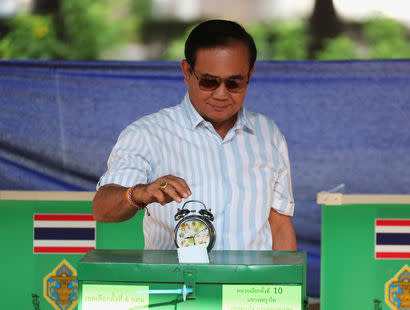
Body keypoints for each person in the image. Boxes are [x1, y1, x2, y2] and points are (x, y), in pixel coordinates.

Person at [93, 19, 297, 251]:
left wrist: (288, 285)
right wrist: (139, 193)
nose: (221, 94)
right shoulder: (147, 134)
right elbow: (102, 209)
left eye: (234, 83)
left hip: (249, 287)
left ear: (250, 75)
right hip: (177, 285)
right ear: (187, 71)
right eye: (209, 82)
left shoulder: (268, 134)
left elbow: (279, 226)